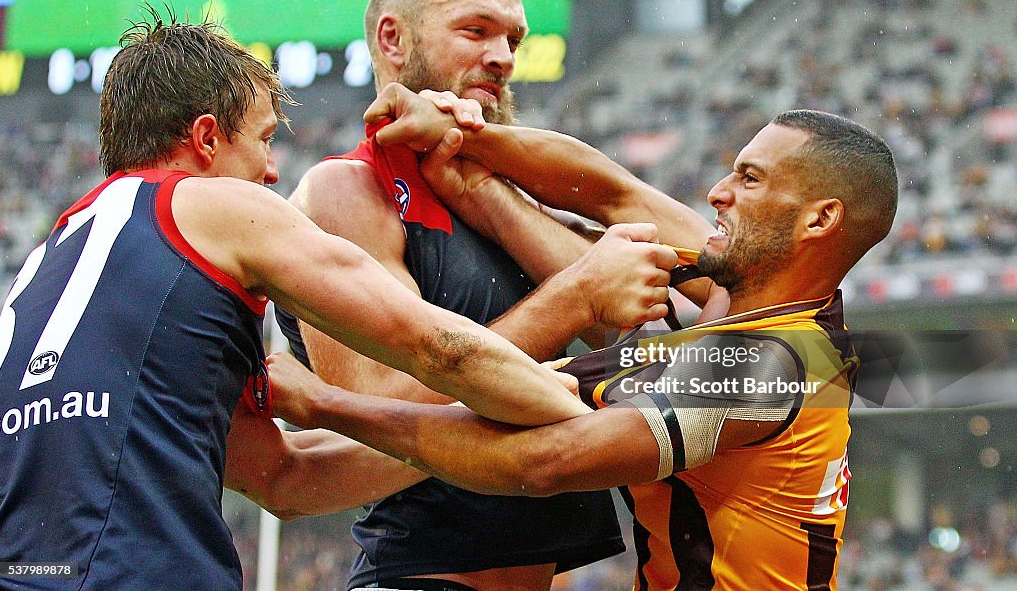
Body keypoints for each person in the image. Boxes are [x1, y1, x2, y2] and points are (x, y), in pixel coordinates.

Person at [0, 11, 676, 590]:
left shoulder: (51, 263)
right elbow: (434, 346)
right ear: (204, 139)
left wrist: (406, 428)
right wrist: (579, 396)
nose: (270, 169)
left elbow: (283, 478)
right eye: (262, 139)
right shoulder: (211, 207)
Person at [268, 97, 899, 590]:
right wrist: (476, 157)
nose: (717, 194)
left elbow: (542, 463)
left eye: (750, 179)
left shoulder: (771, 365)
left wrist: (322, 406)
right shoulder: (749, 301)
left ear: (819, 219)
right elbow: (609, 192)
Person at [274, 0, 714, 591]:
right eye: (475, 30)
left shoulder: (492, 189)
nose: (504, 56)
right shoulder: (349, 189)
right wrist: (573, 297)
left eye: (513, 38)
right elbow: (372, 416)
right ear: (393, 38)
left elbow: (635, 319)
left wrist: (489, 188)